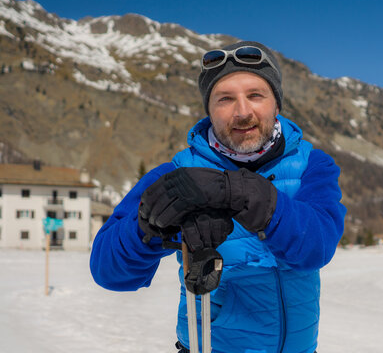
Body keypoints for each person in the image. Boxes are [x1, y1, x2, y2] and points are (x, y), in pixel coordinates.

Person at [90, 41, 347, 353]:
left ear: (276, 104)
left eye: (255, 95)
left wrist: (237, 192)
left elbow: (315, 247)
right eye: (225, 99)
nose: (242, 112)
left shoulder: (312, 165)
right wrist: (151, 227)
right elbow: (108, 271)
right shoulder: (177, 174)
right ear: (209, 111)